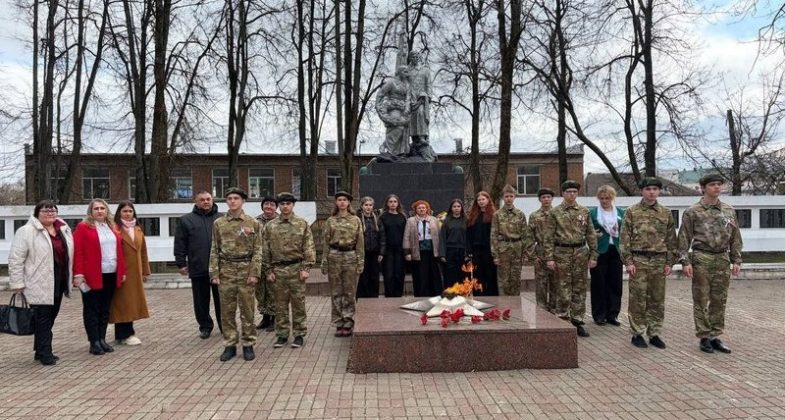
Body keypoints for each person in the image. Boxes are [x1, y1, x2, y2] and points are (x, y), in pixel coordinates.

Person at [678, 174, 743, 354]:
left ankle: (715, 336)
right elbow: (683, 238)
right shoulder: (693, 211)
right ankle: (704, 336)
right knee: (701, 299)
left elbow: (735, 237)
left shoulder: (729, 210)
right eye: (712, 185)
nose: (716, 188)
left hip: (722, 259)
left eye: (719, 184)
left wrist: (736, 259)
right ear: (703, 187)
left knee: (719, 300)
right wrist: (685, 261)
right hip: (702, 258)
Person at [7, 200, 73, 365]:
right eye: (45, 210)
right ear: (37, 213)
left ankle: (40, 348)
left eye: (53, 210)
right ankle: (45, 353)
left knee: (51, 316)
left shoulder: (63, 230)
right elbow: (16, 259)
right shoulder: (26, 231)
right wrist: (17, 283)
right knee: (43, 318)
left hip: (59, 280)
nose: (50, 213)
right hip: (37, 281)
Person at [619, 178, 678, 349]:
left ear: (659, 191)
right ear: (642, 191)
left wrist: (670, 262)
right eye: (648, 189)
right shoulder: (632, 212)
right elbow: (624, 239)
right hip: (638, 260)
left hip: (659, 260)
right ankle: (637, 333)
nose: (651, 192)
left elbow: (671, 239)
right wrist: (628, 261)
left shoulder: (665, 213)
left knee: (657, 299)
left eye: (655, 189)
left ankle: (655, 333)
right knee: (638, 299)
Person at [209, 188, 263, 362]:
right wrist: (214, 273)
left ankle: (248, 344)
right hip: (226, 270)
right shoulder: (219, 223)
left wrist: (254, 272)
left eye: (236, 198)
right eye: (229, 198)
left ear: (243, 201)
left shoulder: (252, 223)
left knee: (247, 309)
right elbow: (214, 249)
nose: (232, 201)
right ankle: (230, 344)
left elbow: (258, 250)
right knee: (227, 311)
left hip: (246, 269)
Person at [73, 198, 127, 355]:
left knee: (105, 309)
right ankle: (94, 341)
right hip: (92, 275)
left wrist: (122, 271)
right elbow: (78, 252)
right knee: (92, 309)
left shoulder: (112, 227)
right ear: (91, 211)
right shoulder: (83, 228)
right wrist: (79, 274)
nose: (99, 211)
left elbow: (119, 251)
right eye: (96, 208)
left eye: (102, 208)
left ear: (106, 210)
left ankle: (102, 339)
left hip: (111, 273)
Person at [544, 180, 598, 338]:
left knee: (579, 288)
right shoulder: (555, 212)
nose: (571, 194)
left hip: (581, 253)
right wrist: (549, 258)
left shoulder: (584, 211)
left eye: (574, 192)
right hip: (561, 253)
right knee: (562, 287)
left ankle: (578, 320)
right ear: (563, 193)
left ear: (577, 193)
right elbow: (548, 237)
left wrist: (594, 255)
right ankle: (562, 318)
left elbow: (590, 233)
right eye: (568, 192)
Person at [262, 192, 316, 349]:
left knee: (298, 304)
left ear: (293, 205)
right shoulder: (270, 226)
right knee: (279, 305)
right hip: (278, 270)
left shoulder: (301, 223)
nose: (285, 206)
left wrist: (306, 267)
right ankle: (282, 334)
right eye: (282, 204)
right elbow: (265, 250)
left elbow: (309, 246)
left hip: (296, 269)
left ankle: (299, 334)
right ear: (278, 205)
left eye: (288, 203)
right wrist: (268, 271)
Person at [174, 190, 223, 339]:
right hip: (198, 266)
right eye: (202, 200)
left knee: (222, 299)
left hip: (220, 268)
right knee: (201, 300)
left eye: (208, 199)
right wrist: (181, 263)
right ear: (196, 202)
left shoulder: (222, 219)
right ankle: (205, 326)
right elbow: (180, 243)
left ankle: (225, 326)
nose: (206, 202)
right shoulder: (186, 220)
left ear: (213, 200)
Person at [322, 191, 365, 337]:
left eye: (344, 200)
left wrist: (360, 262)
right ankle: (338, 321)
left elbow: (360, 243)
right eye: (339, 199)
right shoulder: (330, 221)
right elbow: (326, 243)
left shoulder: (355, 220)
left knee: (349, 291)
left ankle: (348, 320)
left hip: (350, 256)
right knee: (335, 291)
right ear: (336, 202)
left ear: (349, 203)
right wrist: (324, 262)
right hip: (334, 256)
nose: (342, 202)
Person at [110, 201, 150, 346]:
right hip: (122, 271)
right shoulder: (114, 229)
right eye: (124, 211)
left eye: (130, 211)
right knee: (122, 303)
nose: (127, 214)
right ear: (119, 213)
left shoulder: (138, 229)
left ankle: (127, 332)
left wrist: (145, 271)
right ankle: (124, 333)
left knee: (132, 302)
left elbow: (143, 251)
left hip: (136, 272)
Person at [589, 185, 625, 326]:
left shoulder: (621, 213)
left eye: (608, 198)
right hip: (599, 251)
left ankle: (613, 314)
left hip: (616, 250)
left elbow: (626, 231)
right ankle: (599, 314)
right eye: (602, 198)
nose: (605, 201)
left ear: (613, 198)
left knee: (615, 283)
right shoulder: (592, 213)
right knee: (599, 284)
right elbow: (588, 232)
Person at [491, 185, 531, 296]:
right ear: (503, 198)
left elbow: (525, 234)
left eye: (511, 196)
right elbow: (493, 235)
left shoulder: (520, 214)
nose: (509, 198)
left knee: (516, 278)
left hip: (517, 248)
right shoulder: (497, 215)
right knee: (503, 279)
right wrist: (495, 255)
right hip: (503, 249)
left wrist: (525, 252)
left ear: (514, 197)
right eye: (506, 196)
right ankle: (504, 305)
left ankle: (515, 305)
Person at [403, 200, 443, 297]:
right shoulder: (411, 221)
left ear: (427, 209)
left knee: (434, 274)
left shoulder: (434, 220)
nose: (421, 209)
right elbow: (406, 236)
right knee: (420, 275)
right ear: (416, 210)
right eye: (419, 208)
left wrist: (440, 252)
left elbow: (439, 235)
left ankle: (436, 295)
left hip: (432, 252)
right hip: (418, 252)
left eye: (423, 208)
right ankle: (421, 294)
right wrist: (407, 252)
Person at [529, 188, 556, 312]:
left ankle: (554, 309)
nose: (546, 199)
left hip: (556, 253)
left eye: (548, 197)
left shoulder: (558, 213)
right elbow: (529, 237)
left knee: (555, 284)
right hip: (540, 253)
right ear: (540, 199)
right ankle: (541, 310)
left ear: (552, 199)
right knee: (541, 285)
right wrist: (533, 256)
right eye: (543, 197)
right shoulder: (534, 216)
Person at [466, 191, 498, 296]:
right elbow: (469, 234)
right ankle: (479, 296)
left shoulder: (494, 215)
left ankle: (492, 297)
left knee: (490, 274)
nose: (481, 202)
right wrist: (469, 250)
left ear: (488, 200)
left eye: (483, 199)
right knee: (477, 275)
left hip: (489, 250)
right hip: (476, 251)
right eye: (479, 200)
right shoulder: (473, 216)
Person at [255, 196, 278, 331]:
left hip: (274, 263)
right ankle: (265, 318)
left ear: (276, 207)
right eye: (266, 204)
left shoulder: (280, 221)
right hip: (259, 263)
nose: (268, 207)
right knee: (260, 292)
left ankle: (275, 319)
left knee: (273, 292)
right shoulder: (255, 221)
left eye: (272, 204)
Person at [356, 196, 385, 299]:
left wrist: (381, 252)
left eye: (370, 205)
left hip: (375, 252)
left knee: (374, 276)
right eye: (366, 205)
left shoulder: (377, 219)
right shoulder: (357, 219)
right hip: (362, 252)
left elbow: (382, 237)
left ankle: (373, 298)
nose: (368, 207)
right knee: (363, 276)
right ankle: (362, 298)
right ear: (362, 206)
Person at [379, 194, 407, 297]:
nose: (393, 204)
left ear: (398, 203)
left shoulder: (402, 217)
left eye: (395, 201)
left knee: (399, 274)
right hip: (388, 251)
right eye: (390, 202)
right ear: (387, 203)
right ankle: (389, 297)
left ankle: (398, 296)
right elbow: (381, 235)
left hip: (400, 250)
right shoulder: (383, 217)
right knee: (389, 275)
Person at [439, 199, 467, 285]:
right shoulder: (446, 221)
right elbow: (442, 238)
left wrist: (467, 253)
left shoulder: (466, 220)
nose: (456, 208)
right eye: (454, 206)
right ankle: (450, 294)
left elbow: (468, 238)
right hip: (450, 251)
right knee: (450, 275)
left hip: (462, 251)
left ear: (461, 208)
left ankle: (462, 294)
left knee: (462, 275)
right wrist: (442, 254)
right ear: (451, 208)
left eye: (458, 206)